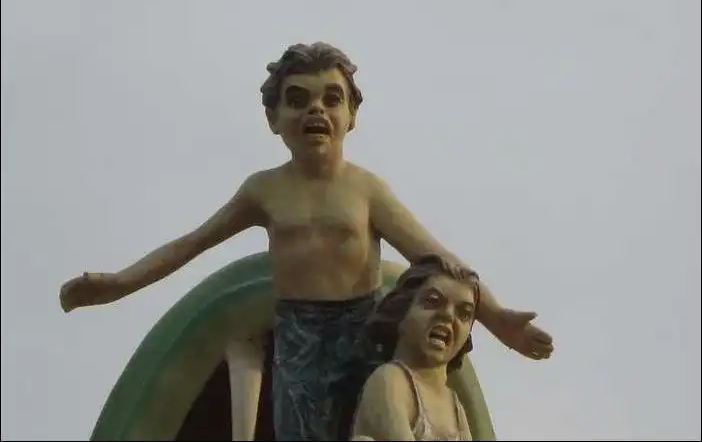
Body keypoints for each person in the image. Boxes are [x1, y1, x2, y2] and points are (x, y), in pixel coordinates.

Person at [59, 42, 553, 441]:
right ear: (274, 118)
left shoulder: (366, 190)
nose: (316, 108)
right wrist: (119, 284)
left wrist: (498, 319)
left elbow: (436, 258)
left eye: (331, 98)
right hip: (299, 342)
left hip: (361, 330)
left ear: (351, 114)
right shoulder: (264, 190)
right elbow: (190, 244)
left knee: (372, 422)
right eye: (298, 99)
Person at [350, 254, 480, 441]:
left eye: (464, 313)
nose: (448, 315)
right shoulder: (390, 380)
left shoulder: (455, 407)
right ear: (401, 311)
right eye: (432, 301)